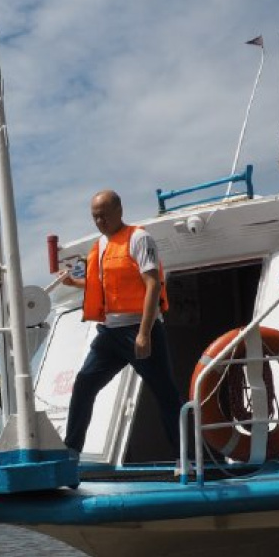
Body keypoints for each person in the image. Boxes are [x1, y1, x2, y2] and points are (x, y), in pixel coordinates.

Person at [59, 189, 182, 456]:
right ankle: (71, 453)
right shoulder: (101, 246)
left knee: (166, 395)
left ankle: (186, 458)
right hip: (110, 333)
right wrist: (74, 283)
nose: (99, 222)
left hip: (139, 328)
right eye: (95, 217)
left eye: (103, 215)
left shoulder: (139, 238)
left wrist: (144, 333)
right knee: (84, 385)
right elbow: (102, 286)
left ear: (119, 211)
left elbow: (152, 284)